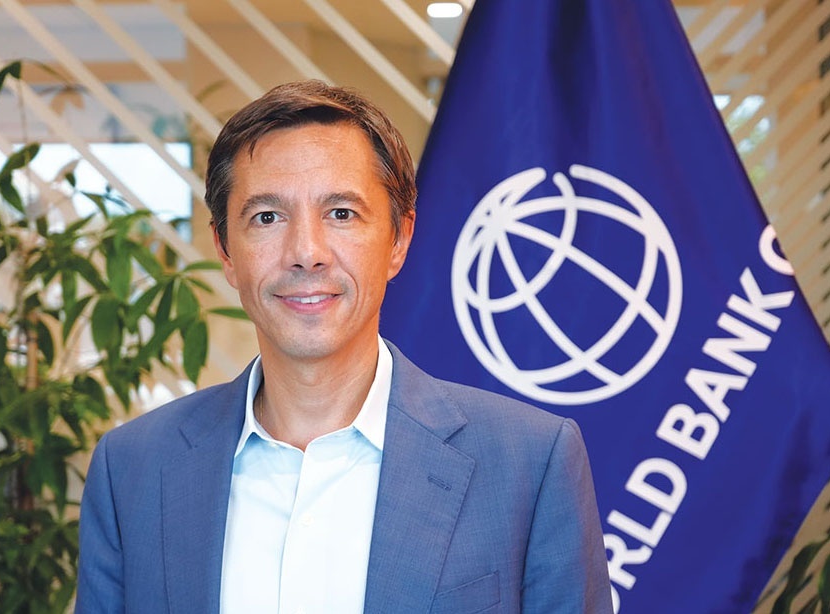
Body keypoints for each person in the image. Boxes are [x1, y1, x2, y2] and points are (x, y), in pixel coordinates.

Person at [75, 80, 612, 614]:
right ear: (225, 250)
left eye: (341, 213)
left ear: (399, 240)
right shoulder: (132, 470)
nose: (306, 252)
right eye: (267, 217)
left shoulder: (530, 464)